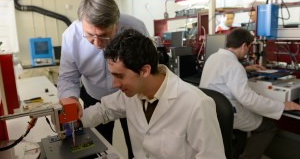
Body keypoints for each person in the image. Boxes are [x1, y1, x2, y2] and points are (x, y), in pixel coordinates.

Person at [78, 29, 226, 159]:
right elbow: (104, 110)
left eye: (120, 76)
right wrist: (74, 121)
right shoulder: (131, 93)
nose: (114, 84)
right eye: (112, 75)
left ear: (144, 71)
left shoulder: (196, 104)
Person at [57, 0, 149, 159]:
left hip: (130, 96)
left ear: (116, 23)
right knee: (95, 149)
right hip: (94, 97)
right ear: (81, 22)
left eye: (104, 35)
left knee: (138, 147)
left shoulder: (135, 28)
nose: (98, 44)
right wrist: (70, 99)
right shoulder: (71, 36)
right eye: (90, 36)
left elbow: (147, 67)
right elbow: (67, 78)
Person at [200, 28, 300, 159]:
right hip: (229, 113)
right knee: (268, 127)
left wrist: (244, 68)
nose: (248, 51)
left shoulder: (214, 57)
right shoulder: (234, 66)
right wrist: (282, 105)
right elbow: (249, 100)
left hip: (212, 110)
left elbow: (224, 72)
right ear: (243, 46)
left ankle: (236, 153)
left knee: (246, 122)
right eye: (249, 47)